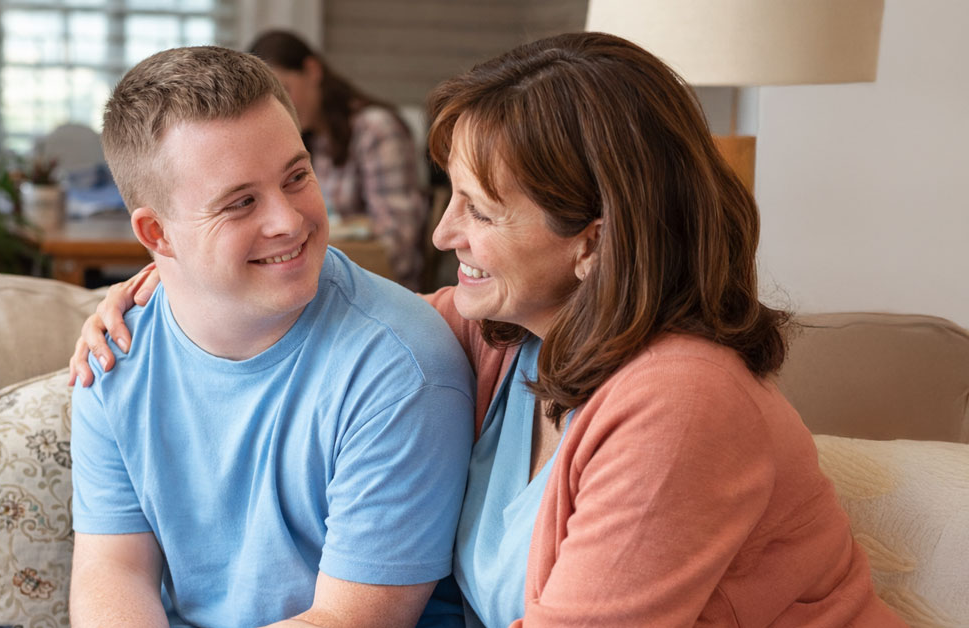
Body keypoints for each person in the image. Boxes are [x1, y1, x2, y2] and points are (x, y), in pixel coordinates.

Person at [71, 33, 906, 627]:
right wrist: (161, 282)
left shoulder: (681, 402)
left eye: (480, 208)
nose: (441, 235)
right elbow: (310, 315)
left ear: (594, 237)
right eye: (450, 195)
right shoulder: (502, 338)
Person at [68, 45, 475, 626]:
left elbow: (349, 620)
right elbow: (114, 573)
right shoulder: (113, 356)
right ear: (158, 232)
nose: (288, 220)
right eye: (240, 203)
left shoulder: (401, 370)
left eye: (297, 176)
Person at [249, 30, 429, 289]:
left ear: (312, 70)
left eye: (285, 89)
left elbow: (399, 245)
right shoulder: (307, 140)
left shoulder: (375, 129)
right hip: (321, 282)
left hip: (376, 287)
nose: (278, 106)